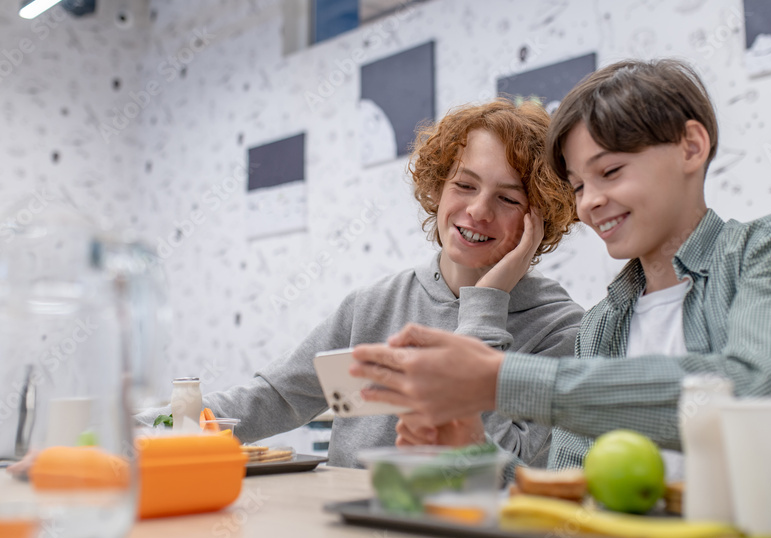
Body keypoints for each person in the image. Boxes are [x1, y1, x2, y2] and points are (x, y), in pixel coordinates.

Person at [351, 59, 771, 507]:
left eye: (609, 173)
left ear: (691, 147)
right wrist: (472, 450)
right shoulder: (602, 328)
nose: (590, 202)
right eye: (578, 185)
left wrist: (501, 379)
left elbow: (764, 396)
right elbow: (564, 501)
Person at [137, 98, 583, 468]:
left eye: (507, 198)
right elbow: (276, 397)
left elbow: (511, 468)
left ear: (541, 217)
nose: (479, 211)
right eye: (464, 185)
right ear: (439, 188)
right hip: (351, 529)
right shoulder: (374, 305)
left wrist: (486, 303)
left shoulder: (562, 331)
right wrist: (146, 430)